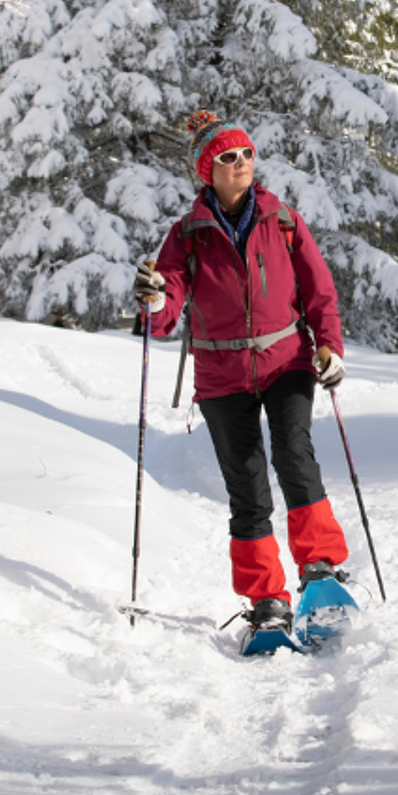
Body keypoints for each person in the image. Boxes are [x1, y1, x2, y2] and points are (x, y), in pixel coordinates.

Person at [133, 110, 351, 638]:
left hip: (286, 362)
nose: (242, 164)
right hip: (221, 372)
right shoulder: (186, 235)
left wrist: (329, 347)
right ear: (207, 170)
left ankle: (320, 571)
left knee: (295, 456)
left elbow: (318, 291)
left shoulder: (282, 221)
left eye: (247, 154)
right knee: (248, 485)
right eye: (228, 158)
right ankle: (267, 600)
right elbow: (163, 315)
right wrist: (156, 299)